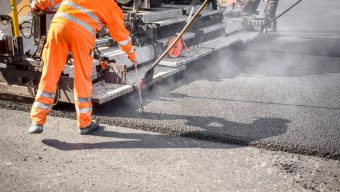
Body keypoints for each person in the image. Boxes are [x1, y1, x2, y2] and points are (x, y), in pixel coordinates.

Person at [29, 0, 137, 135]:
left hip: (58, 28)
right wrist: (131, 55)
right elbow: (122, 37)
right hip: (82, 36)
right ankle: (84, 123)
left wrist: (37, 4)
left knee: (49, 74)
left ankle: (37, 121)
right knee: (82, 78)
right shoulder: (111, 6)